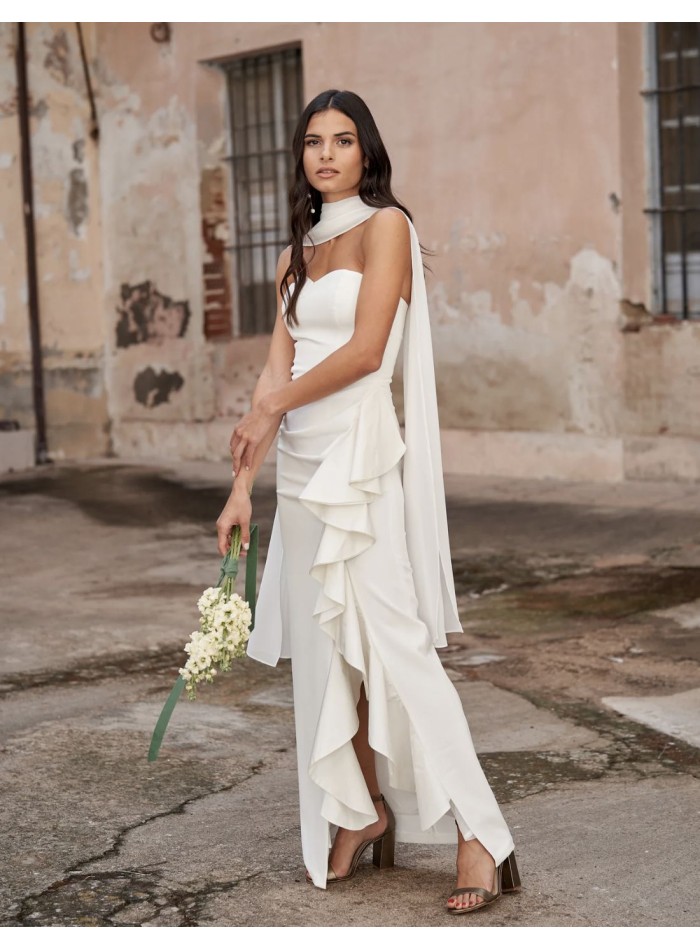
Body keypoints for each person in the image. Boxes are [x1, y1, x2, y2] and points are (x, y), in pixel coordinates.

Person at [216, 89, 520, 915]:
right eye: (313, 142)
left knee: (396, 648)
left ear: (366, 153)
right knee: (328, 657)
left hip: (360, 461)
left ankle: (478, 830)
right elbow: (271, 377)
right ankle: (363, 810)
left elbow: (363, 350)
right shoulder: (297, 252)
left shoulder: (388, 226)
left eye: (343, 141)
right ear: (300, 157)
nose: (326, 155)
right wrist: (244, 487)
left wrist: (272, 408)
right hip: (304, 473)